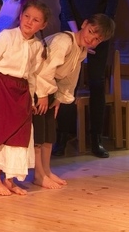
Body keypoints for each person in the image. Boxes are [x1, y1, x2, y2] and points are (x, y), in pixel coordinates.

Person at [59, 0, 125, 158]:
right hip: (73, 29)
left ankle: (96, 138)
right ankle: (62, 137)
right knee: (69, 82)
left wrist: (98, 34)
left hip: (100, 31)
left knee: (97, 82)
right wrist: (77, 33)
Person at [0, 0, 49, 196]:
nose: (29, 22)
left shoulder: (37, 46)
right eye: (27, 16)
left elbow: (32, 75)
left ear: (43, 25)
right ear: (21, 16)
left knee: (19, 135)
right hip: (1, 86)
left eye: (36, 20)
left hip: (21, 92)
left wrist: (32, 99)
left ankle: (10, 178)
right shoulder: (7, 36)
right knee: (0, 132)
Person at [33, 15, 115, 187]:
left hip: (49, 89)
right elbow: (45, 69)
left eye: (97, 39)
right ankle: (38, 175)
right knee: (38, 135)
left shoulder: (81, 49)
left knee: (49, 134)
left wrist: (59, 97)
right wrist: (42, 95)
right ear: (84, 24)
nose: (91, 39)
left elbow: (71, 77)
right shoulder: (63, 42)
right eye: (90, 32)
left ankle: (46, 171)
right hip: (36, 87)